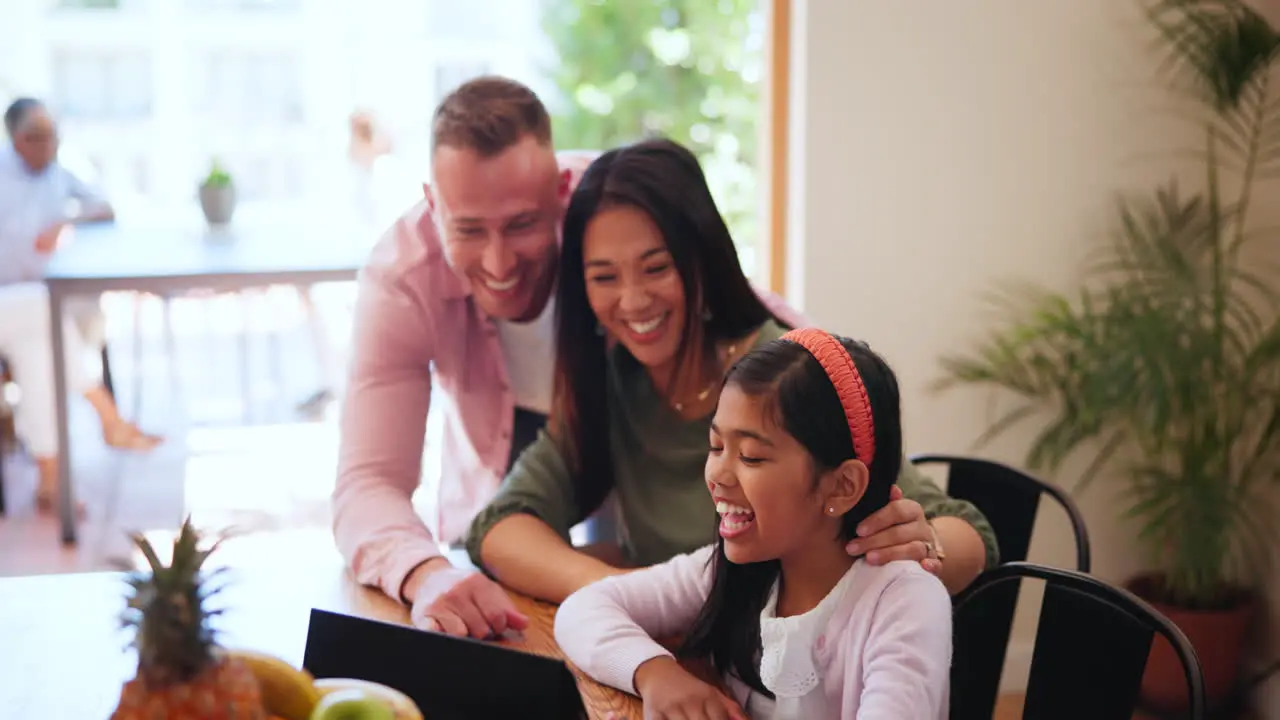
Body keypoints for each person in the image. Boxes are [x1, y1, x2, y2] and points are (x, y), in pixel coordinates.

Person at [333, 77, 992, 639]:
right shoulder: (617, 379)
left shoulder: (773, 373)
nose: (633, 300)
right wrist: (638, 597)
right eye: (604, 277)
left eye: (656, 267)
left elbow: (966, 533)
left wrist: (921, 547)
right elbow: (496, 527)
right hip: (683, 668)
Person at [554, 329, 952, 719]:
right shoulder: (738, 572)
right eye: (716, 447)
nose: (718, 476)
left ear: (842, 486)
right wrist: (656, 675)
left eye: (751, 457)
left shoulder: (903, 602)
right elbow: (584, 609)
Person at [0, 97, 160, 514]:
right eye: (36, 137)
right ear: (15, 140)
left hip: (32, 311)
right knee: (42, 311)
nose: (47, 145)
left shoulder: (58, 175)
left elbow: (105, 208)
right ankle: (107, 414)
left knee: (39, 345)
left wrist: (65, 222)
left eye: (53, 136)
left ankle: (52, 481)